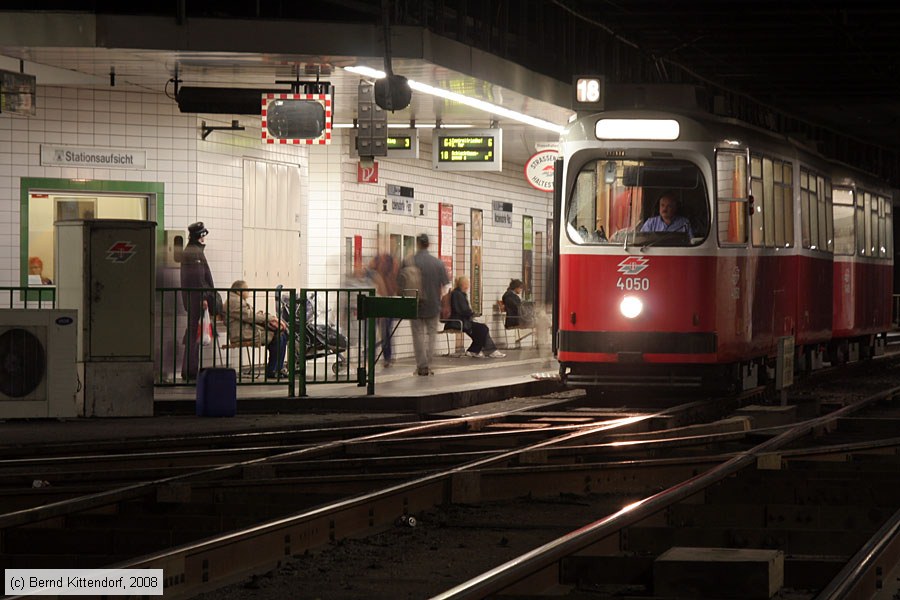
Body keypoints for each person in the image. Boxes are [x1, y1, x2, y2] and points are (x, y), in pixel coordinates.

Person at [226, 280, 289, 379]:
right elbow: (250, 316)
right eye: (246, 289)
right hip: (242, 333)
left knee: (282, 335)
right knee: (278, 336)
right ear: (238, 291)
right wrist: (270, 318)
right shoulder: (235, 302)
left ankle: (277, 368)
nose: (249, 291)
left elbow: (250, 315)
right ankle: (273, 369)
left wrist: (268, 318)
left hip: (247, 330)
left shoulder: (237, 300)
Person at [407, 233, 449, 376]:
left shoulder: (409, 261)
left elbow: (400, 283)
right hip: (433, 304)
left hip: (414, 304)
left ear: (417, 244)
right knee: (432, 335)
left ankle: (421, 365)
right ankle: (428, 364)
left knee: (418, 335)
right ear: (428, 245)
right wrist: (445, 305)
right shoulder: (437, 263)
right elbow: (444, 287)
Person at [180, 221, 216, 381]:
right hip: (196, 299)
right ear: (199, 236)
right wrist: (204, 297)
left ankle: (190, 368)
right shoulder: (194, 253)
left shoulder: (193, 251)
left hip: (194, 298)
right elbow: (197, 279)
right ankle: (190, 370)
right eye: (203, 235)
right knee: (194, 333)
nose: (205, 239)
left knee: (194, 332)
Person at [446, 276, 505, 358]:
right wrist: (472, 314)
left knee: (481, 331)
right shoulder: (458, 294)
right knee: (483, 329)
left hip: (461, 321)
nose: (468, 286)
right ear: (463, 285)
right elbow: (463, 310)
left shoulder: (458, 293)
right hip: (458, 322)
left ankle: (482, 350)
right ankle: (482, 350)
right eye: (467, 284)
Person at [369, 251, 398, 367]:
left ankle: (385, 357)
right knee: (382, 333)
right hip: (383, 306)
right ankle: (382, 357)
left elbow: (387, 291)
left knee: (384, 333)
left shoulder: (384, 277)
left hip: (384, 307)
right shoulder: (379, 276)